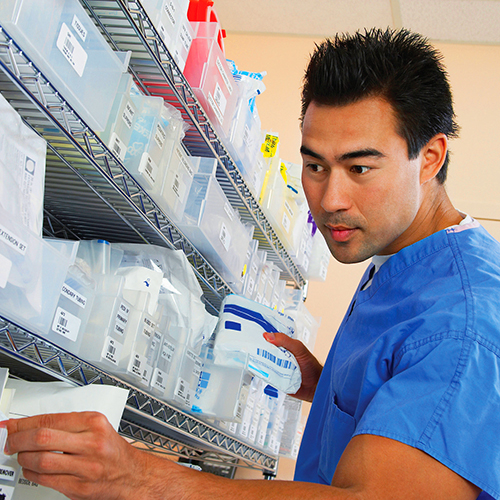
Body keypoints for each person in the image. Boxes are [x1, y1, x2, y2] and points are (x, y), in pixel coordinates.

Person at [3, 27, 500, 500]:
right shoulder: (407, 259)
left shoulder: (464, 320)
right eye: (315, 166)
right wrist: (328, 384)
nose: (330, 199)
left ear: (430, 157)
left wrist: (139, 478)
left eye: (360, 168)